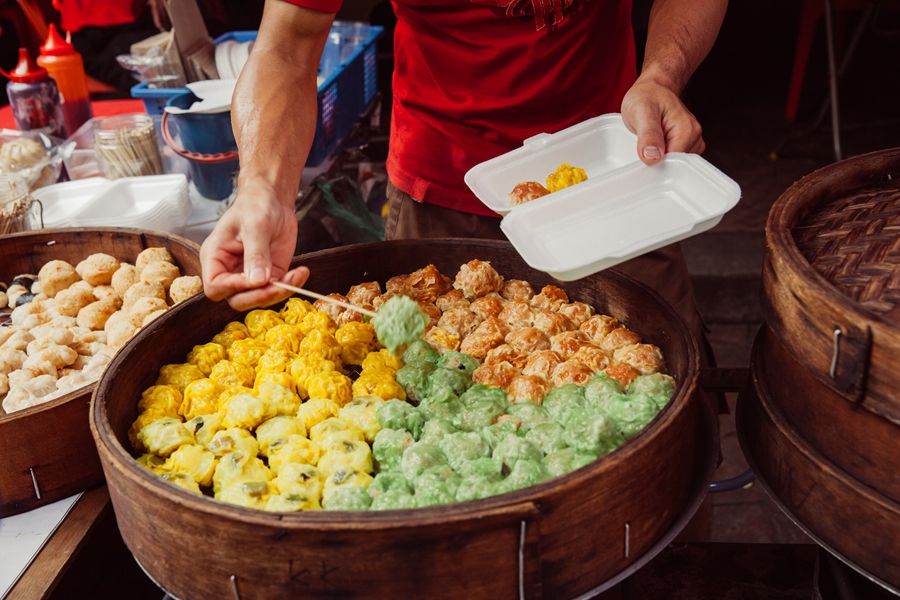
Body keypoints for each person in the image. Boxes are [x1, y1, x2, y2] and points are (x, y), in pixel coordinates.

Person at [200, 0, 728, 355]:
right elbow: (287, 47)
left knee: (669, 388)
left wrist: (662, 75)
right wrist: (262, 189)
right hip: (442, 186)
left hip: (615, 175)